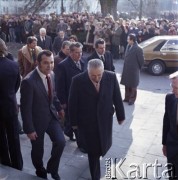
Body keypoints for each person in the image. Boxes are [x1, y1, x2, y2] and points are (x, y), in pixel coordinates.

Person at [68, 59, 125, 180]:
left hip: (105, 119)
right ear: (87, 71)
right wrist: (73, 123)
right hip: (87, 122)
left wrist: (121, 116)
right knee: (93, 151)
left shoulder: (111, 76)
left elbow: (117, 97)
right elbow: (72, 103)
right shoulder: (77, 80)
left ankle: (97, 156)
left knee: (104, 145)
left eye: (99, 75)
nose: (97, 78)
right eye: (93, 76)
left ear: (103, 71)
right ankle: (95, 176)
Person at [20, 50, 65, 180]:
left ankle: (53, 168)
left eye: (51, 62)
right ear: (38, 63)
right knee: (38, 151)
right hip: (36, 121)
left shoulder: (52, 74)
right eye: (46, 63)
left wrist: (59, 108)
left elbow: (53, 94)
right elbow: (25, 108)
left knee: (61, 142)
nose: (50, 66)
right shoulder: (28, 82)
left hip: (51, 117)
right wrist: (29, 129)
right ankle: (40, 170)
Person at [55, 42, 85, 149]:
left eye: (81, 52)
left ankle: (68, 130)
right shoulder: (63, 66)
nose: (79, 55)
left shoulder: (84, 61)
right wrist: (62, 102)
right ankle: (81, 144)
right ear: (71, 53)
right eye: (77, 52)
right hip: (70, 98)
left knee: (76, 119)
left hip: (83, 98)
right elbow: (60, 86)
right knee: (74, 119)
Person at [0, 38, 23, 170]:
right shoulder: (13, 65)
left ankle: (5, 162)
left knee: (1, 139)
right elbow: (15, 87)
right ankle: (18, 166)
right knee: (14, 139)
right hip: (10, 106)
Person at [162, 71, 178, 179]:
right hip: (172, 147)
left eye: (176, 88)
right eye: (172, 86)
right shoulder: (170, 98)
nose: (173, 90)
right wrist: (164, 144)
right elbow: (166, 122)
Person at [120, 33, 144, 105]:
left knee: (133, 86)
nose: (127, 40)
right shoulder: (128, 45)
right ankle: (127, 98)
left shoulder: (138, 48)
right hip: (127, 69)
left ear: (132, 40)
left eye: (128, 39)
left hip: (134, 70)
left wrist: (137, 68)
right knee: (127, 84)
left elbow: (141, 61)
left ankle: (132, 99)